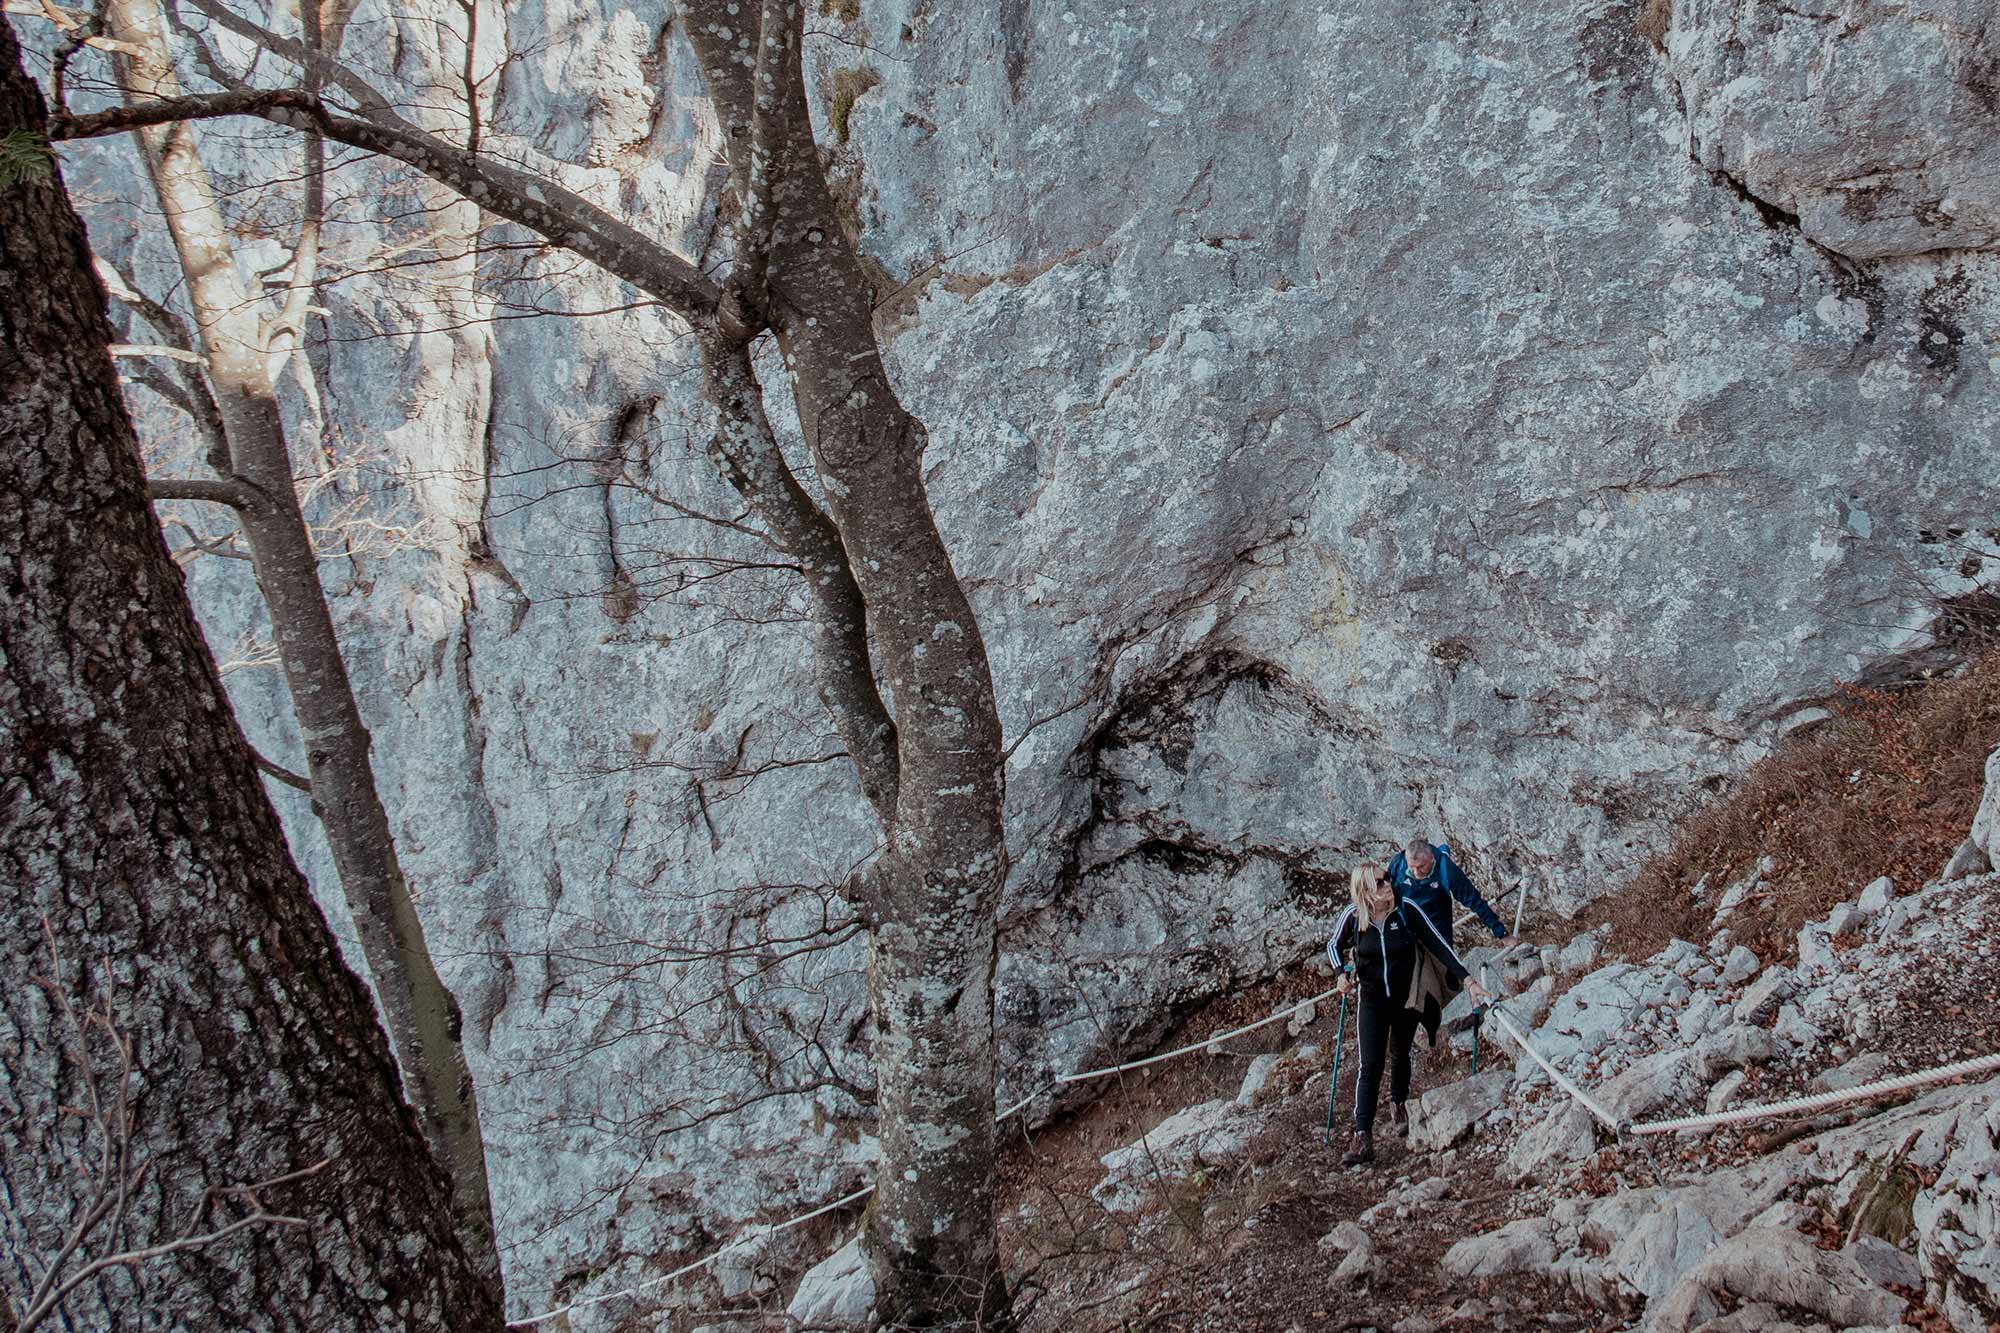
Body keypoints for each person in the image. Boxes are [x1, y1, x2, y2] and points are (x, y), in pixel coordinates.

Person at [1328, 864, 1490, 1166]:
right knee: (1370, 1065)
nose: (1389, 883)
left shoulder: (1406, 909)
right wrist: (1340, 975)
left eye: (1387, 878)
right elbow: (1333, 946)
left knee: (1400, 1053)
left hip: (1406, 997)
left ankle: (1398, 1103)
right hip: (1372, 1000)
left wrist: (1468, 981)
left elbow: (1438, 944)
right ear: (1365, 890)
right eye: (1380, 881)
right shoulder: (1353, 918)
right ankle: (1363, 1135)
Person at [1386, 838, 1508, 944]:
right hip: (1405, 930)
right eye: (1411, 867)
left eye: (1421, 867)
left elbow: (1474, 900)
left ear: (1431, 858)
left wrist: (1501, 933)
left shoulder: (1447, 871)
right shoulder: (1398, 864)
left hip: (1437, 933)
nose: (1416, 872)